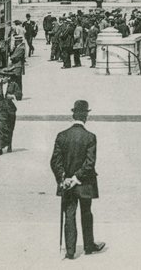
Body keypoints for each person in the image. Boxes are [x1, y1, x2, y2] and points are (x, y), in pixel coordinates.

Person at [50, 99, 106, 259]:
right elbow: (90, 163)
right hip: (85, 183)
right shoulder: (90, 137)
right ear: (86, 117)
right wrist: (76, 178)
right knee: (86, 212)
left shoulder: (61, 136)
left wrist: (63, 178)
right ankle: (89, 245)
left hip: (66, 183)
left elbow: (55, 161)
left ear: (73, 115)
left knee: (69, 214)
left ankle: (70, 250)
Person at [0, 77, 18, 155]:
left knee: (10, 127)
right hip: (0, 108)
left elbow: (19, 95)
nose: (2, 78)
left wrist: (13, 96)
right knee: (0, 127)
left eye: (3, 77)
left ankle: (9, 144)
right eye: (1, 77)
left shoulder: (13, 85)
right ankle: (0, 147)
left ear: (8, 77)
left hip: (10, 109)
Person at [4, 32, 27, 100]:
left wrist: (11, 57)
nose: (15, 42)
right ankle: (16, 94)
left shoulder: (21, 48)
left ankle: (18, 95)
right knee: (15, 81)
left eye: (16, 41)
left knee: (17, 81)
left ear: (19, 41)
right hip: (15, 66)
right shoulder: (18, 47)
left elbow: (14, 57)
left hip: (17, 66)